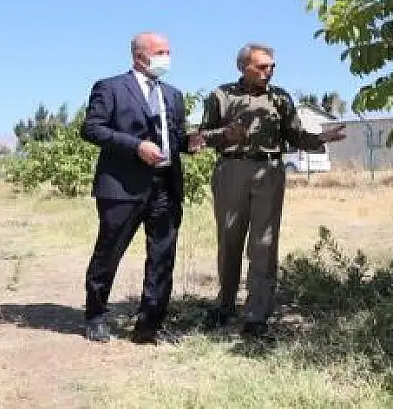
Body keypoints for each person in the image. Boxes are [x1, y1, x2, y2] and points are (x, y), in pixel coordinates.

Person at [198, 42, 346, 338]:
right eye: (262, 67)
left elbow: (294, 135)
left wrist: (320, 138)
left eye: (272, 67)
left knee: (264, 244)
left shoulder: (280, 98)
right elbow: (203, 136)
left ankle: (257, 314)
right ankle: (225, 305)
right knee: (229, 239)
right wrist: (225, 134)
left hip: (269, 171)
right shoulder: (221, 95)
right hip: (232, 169)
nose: (269, 72)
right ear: (243, 67)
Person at [79, 31, 205, 344]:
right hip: (122, 187)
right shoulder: (110, 88)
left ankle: (149, 325)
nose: (167, 58)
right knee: (109, 253)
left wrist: (189, 143)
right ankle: (96, 315)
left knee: (163, 256)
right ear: (139, 56)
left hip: (165, 186)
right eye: (161, 51)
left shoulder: (173, 95)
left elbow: (172, 138)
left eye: (169, 51)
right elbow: (92, 129)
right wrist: (136, 146)